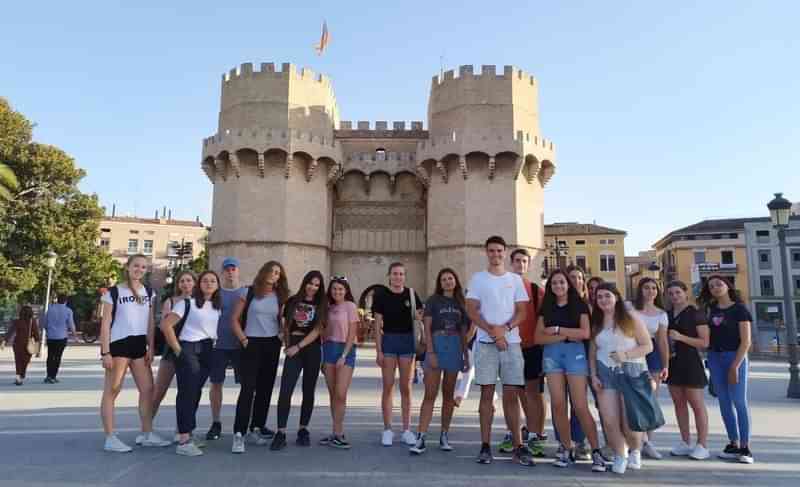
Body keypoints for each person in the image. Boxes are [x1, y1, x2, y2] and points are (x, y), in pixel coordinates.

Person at [466, 236, 534, 467]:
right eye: (491, 251)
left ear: (505, 253)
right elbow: (472, 310)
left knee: (512, 394)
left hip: (511, 343)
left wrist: (504, 330)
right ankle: (485, 446)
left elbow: (522, 312)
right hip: (486, 344)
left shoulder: (515, 280)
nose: (495, 254)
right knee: (486, 394)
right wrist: (493, 333)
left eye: (499, 251)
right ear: (486, 252)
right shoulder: (478, 279)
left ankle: (518, 445)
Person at [535, 269, 606, 472]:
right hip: (552, 357)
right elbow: (538, 338)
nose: (558, 286)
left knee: (580, 405)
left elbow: (585, 333)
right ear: (550, 287)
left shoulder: (579, 304)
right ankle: (566, 448)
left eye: (562, 282)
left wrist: (557, 330)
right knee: (558, 405)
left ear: (568, 284)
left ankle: (596, 451)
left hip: (574, 356)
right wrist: (567, 335)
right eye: (554, 283)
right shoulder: (546, 307)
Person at [99, 254, 171, 452]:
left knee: (148, 390)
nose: (139, 269)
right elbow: (105, 324)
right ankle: (110, 437)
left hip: (139, 346)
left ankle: (147, 433)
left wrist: (150, 346)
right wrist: (105, 352)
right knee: (113, 390)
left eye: (143, 267)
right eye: (136, 266)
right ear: (128, 267)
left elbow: (149, 321)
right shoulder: (113, 292)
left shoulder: (149, 292)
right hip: (119, 345)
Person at [589, 283, 653, 474]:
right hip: (605, 373)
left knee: (629, 420)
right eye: (599, 297)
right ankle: (620, 454)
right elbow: (592, 353)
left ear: (616, 297)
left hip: (631, 371)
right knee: (609, 419)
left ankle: (635, 450)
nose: (603, 300)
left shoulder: (631, 317)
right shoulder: (597, 322)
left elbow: (647, 345)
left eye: (607, 295)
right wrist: (593, 375)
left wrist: (625, 355)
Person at [409, 268, 471, 455]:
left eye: (450, 278)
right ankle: (421, 436)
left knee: (449, 395)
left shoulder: (462, 302)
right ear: (440, 282)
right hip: (437, 344)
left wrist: (466, 356)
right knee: (430, 394)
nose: (447, 282)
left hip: (454, 346)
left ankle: (444, 434)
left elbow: (463, 330)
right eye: (443, 279)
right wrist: (430, 350)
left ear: (456, 280)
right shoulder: (434, 300)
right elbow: (426, 326)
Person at [160, 270, 222, 456]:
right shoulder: (187, 303)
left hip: (207, 349)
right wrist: (178, 350)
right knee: (187, 393)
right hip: (189, 348)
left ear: (217, 285)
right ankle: (184, 440)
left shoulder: (216, 306)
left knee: (195, 392)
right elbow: (166, 325)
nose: (209, 283)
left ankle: (186, 432)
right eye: (205, 280)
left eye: (213, 281)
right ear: (198, 284)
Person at [230, 261, 289, 454]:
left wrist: (281, 337)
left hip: (271, 345)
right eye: (272, 271)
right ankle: (239, 433)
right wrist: (244, 339)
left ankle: (256, 427)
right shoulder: (248, 292)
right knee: (248, 389)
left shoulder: (280, 297)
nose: (274, 275)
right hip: (251, 343)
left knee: (265, 388)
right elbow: (234, 320)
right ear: (263, 272)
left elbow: (284, 321)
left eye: (278, 273)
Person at [497, 249, 547, 457]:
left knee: (534, 394)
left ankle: (536, 434)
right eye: (516, 261)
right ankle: (515, 432)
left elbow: (545, 321)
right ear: (511, 263)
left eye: (524, 261)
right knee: (514, 393)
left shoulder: (536, 291)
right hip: (509, 347)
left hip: (532, 347)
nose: (520, 264)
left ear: (528, 265)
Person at [699, 275, 754, 464]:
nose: (715, 287)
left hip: (735, 357)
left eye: (719, 284)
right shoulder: (710, 310)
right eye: (711, 286)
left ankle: (745, 448)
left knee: (739, 402)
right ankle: (733, 443)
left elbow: (746, 342)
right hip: (715, 358)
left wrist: (735, 366)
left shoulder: (740, 309)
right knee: (724, 402)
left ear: (728, 286)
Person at [272, 271, 327, 450]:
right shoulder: (292, 301)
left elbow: (318, 330)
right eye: (310, 283)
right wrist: (288, 345)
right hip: (293, 346)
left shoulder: (321, 304)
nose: (313, 287)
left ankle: (303, 429)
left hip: (310, 347)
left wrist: (299, 346)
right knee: (286, 389)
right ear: (305, 283)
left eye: (317, 285)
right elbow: (286, 325)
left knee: (308, 390)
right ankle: (280, 432)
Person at [372, 262, 423, 447]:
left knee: (406, 388)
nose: (398, 277)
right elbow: (377, 325)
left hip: (407, 342)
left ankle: (407, 430)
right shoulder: (381, 296)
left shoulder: (411, 294)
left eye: (401, 274)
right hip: (389, 342)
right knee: (388, 386)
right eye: (395, 274)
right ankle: (387, 429)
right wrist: (378, 350)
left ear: (404, 276)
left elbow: (419, 317)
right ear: (389, 276)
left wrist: (420, 318)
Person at [664, 280, 710, 460]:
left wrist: (681, 337)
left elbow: (704, 342)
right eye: (671, 293)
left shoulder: (696, 313)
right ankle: (685, 441)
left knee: (696, 404)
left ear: (685, 293)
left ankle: (702, 444)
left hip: (691, 361)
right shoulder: (667, 314)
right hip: (673, 362)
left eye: (678, 292)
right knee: (679, 403)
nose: (675, 296)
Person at [206, 257, 247, 441]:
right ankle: (216, 422)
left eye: (233, 269)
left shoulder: (246, 292)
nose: (230, 272)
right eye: (227, 269)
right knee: (216, 384)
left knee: (246, 386)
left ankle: (244, 423)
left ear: (238, 271)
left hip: (240, 345)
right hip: (218, 346)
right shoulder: (216, 293)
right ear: (222, 272)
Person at [149, 270, 196, 428]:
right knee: (158, 392)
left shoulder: (200, 302)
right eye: (182, 281)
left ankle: (182, 430)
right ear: (178, 284)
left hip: (192, 351)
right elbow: (164, 326)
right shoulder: (171, 301)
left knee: (187, 394)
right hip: (171, 350)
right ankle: (146, 428)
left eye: (189, 280)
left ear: (195, 283)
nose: (185, 284)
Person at [630, 278, 669, 459]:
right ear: (640, 290)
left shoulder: (661, 314)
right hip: (632, 350)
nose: (650, 291)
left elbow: (662, 341)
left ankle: (648, 441)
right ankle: (635, 440)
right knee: (632, 397)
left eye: (654, 288)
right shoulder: (630, 308)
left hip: (652, 354)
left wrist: (665, 364)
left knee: (650, 398)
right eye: (646, 287)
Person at [320, 276, 359, 449]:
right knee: (333, 393)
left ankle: (339, 432)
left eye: (341, 289)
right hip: (328, 349)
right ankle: (335, 432)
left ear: (346, 291)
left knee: (341, 393)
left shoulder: (350, 306)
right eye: (334, 289)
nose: (337, 292)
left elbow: (352, 332)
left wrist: (344, 355)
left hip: (345, 350)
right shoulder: (327, 308)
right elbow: (321, 332)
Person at [41, 294, 77, 383]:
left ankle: (48, 375)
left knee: (50, 356)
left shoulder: (50, 309)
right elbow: (71, 324)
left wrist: (48, 330)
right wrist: (74, 335)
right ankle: (53, 376)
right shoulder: (68, 311)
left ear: (57, 300)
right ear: (66, 301)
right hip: (62, 337)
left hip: (51, 337)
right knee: (57, 357)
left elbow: (44, 323)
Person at [2, 306, 41, 385]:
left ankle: (19, 376)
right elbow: (37, 336)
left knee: (18, 361)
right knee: (25, 362)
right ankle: (20, 376)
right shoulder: (32, 322)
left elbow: (10, 332)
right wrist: (37, 349)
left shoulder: (17, 321)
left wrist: (4, 342)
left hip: (17, 345)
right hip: (28, 345)